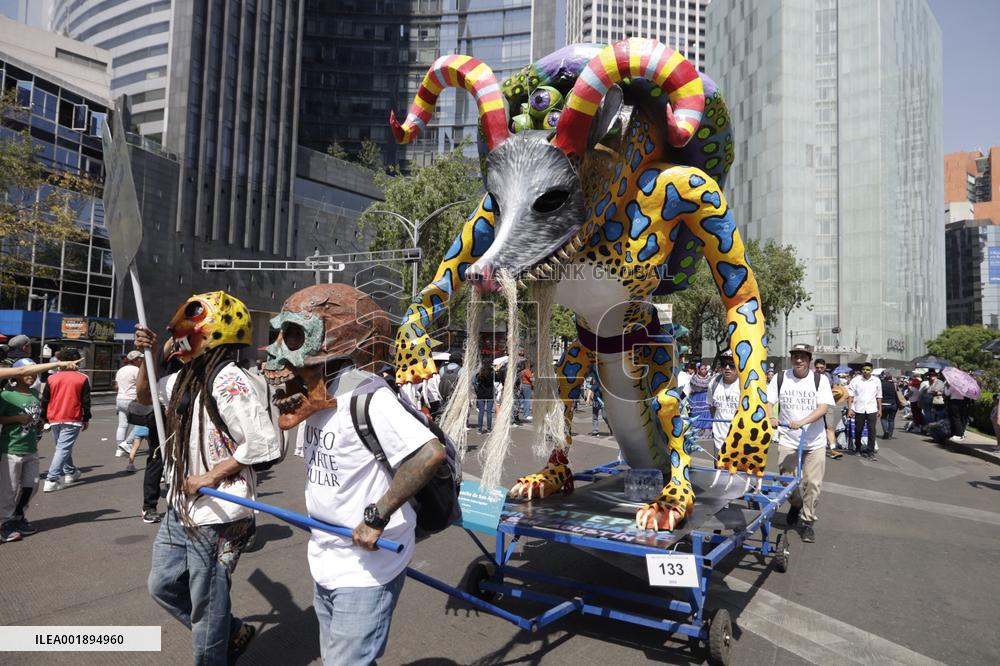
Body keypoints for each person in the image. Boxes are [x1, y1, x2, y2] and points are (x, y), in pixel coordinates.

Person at [262, 283, 445, 665]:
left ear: (338, 344)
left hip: (368, 566)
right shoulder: (318, 399)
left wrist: (376, 516)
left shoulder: (368, 398)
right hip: (326, 556)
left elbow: (429, 454)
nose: (274, 353)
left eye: (293, 337)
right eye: (277, 335)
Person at [139, 291, 282, 664]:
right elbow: (146, 396)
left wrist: (210, 476)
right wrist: (148, 356)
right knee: (162, 585)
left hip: (221, 513)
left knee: (207, 602)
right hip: (182, 507)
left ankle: (212, 653)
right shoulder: (185, 377)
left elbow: (261, 442)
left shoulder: (229, 378)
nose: (178, 334)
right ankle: (230, 632)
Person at [767, 343, 834, 544]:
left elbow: (823, 408)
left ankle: (807, 522)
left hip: (814, 441)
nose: (798, 360)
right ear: (791, 359)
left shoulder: (820, 380)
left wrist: (802, 422)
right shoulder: (780, 378)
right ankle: (796, 504)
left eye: (803, 357)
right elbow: (768, 401)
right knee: (785, 481)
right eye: (795, 356)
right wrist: (771, 416)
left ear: (809, 360)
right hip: (788, 439)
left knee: (812, 483)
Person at [0, 362, 44, 543]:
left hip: (31, 447)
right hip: (11, 449)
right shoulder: (7, 395)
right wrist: (17, 418)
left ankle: (18, 516)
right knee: (9, 489)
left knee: (32, 484)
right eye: (27, 372)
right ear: (16, 374)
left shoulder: (35, 394)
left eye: (34, 373)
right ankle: (4, 523)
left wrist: (39, 423)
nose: (31, 376)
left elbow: (36, 416)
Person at [40, 348, 91, 492]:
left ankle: (71, 472)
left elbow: (45, 400)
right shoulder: (82, 378)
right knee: (63, 448)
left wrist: (44, 418)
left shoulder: (52, 378)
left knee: (61, 447)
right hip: (72, 417)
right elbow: (86, 401)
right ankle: (51, 479)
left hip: (54, 417)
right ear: (76, 361)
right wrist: (86, 418)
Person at [707, 351, 739, 457]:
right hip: (719, 438)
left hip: (739, 439)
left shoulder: (744, 385)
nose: (727, 368)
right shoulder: (713, 383)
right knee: (718, 467)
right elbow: (711, 407)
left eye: (732, 365)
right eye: (724, 364)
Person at [847, 363, 882, 460]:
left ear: (871, 370)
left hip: (872, 409)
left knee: (872, 430)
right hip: (859, 409)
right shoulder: (856, 380)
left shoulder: (876, 381)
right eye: (863, 369)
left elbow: (879, 396)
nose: (865, 371)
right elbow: (850, 395)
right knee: (858, 429)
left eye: (867, 369)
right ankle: (858, 448)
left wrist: (880, 409)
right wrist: (849, 409)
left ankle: (870, 451)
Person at [114, 351, 143, 458]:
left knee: (122, 425)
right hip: (132, 399)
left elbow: (116, 387)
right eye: (140, 359)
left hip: (120, 398)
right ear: (135, 360)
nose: (142, 361)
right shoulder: (137, 370)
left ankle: (119, 449)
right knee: (142, 423)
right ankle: (127, 443)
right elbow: (141, 386)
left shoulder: (121, 370)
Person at [813, 358, 842, 459]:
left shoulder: (830, 377)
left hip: (827, 405)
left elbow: (836, 389)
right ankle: (813, 448)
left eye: (821, 367)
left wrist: (835, 394)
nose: (819, 369)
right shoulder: (810, 377)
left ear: (825, 367)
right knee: (814, 427)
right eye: (817, 368)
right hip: (814, 406)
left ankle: (833, 449)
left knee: (829, 427)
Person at [879, 370, 903, 440]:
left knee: (883, 418)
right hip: (893, 404)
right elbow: (898, 394)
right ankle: (890, 435)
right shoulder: (895, 385)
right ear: (891, 377)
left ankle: (885, 431)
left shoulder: (881, 384)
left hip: (883, 404)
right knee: (891, 420)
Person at [475, 366, 495, 433]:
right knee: (489, 412)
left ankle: (479, 429)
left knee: (481, 412)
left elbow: (474, 383)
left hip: (481, 394)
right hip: (490, 394)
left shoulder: (479, 375)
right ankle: (488, 429)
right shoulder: (492, 375)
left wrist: (477, 390)